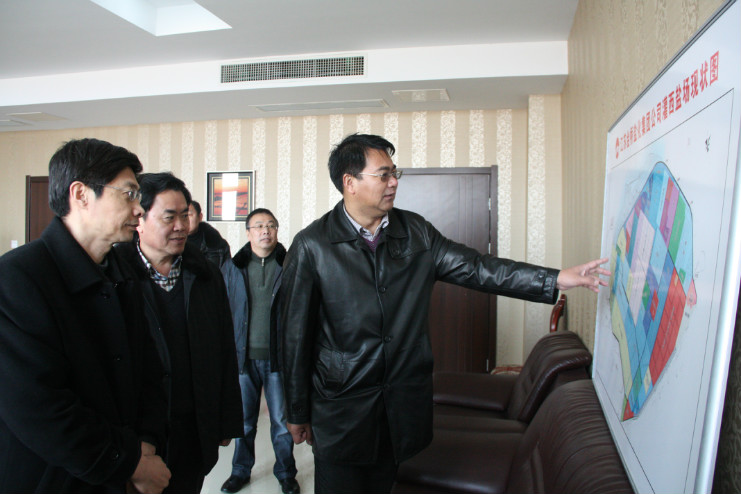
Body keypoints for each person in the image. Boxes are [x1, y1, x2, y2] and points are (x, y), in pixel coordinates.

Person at [280, 133, 611, 494]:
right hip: (342, 406)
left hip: (400, 404)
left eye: (394, 173)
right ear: (350, 182)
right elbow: (294, 336)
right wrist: (297, 411)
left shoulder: (415, 232)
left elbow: (478, 268)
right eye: (383, 174)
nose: (394, 183)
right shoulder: (312, 246)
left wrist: (556, 278)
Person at [0, 138, 171, 493]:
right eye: (129, 194)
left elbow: (150, 372)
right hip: (54, 478)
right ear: (80, 195)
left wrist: (146, 444)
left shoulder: (122, 271)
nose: (139, 209)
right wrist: (130, 463)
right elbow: (38, 408)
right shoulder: (17, 278)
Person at [115, 172, 243, 494]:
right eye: (169, 217)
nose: (181, 226)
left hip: (193, 425)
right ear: (139, 219)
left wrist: (226, 419)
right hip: (138, 432)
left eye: (185, 216)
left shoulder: (205, 274)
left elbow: (224, 347)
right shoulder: (115, 275)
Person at [220, 208, 300, 494]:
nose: (265, 230)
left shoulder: (290, 265)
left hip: (278, 358)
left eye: (271, 225)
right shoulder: (232, 268)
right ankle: (240, 471)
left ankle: (286, 473)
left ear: (277, 231)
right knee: (243, 423)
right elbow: (222, 311)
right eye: (259, 226)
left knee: (280, 422)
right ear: (248, 233)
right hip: (243, 358)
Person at [187, 200, 231, 267]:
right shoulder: (173, 243)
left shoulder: (218, 244)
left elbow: (227, 271)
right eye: (183, 215)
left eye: (189, 215)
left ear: (200, 217)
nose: (186, 219)